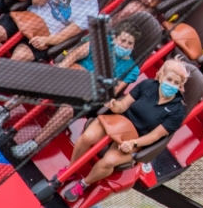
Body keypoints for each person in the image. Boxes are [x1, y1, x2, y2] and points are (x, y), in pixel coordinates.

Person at [10, 20, 143, 159]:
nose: (125, 45)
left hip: (88, 93)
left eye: (130, 43)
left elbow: (113, 91)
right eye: (123, 40)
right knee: (39, 81)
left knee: (66, 111)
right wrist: (62, 67)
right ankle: (4, 111)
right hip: (71, 75)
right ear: (115, 38)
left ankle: (32, 144)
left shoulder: (132, 69)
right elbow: (75, 54)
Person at [62, 59, 189, 202]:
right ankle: (71, 169)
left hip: (138, 138)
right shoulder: (147, 85)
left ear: (180, 86)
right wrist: (114, 105)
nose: (171, 85)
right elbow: (122, 105)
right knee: (87, 137)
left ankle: (83, 184)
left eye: (176, 83)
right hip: (120, 121)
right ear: (161, 76)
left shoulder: (177, 111)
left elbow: (155, 136)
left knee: (108, 161)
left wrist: (134, 143)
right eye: (169, 79)